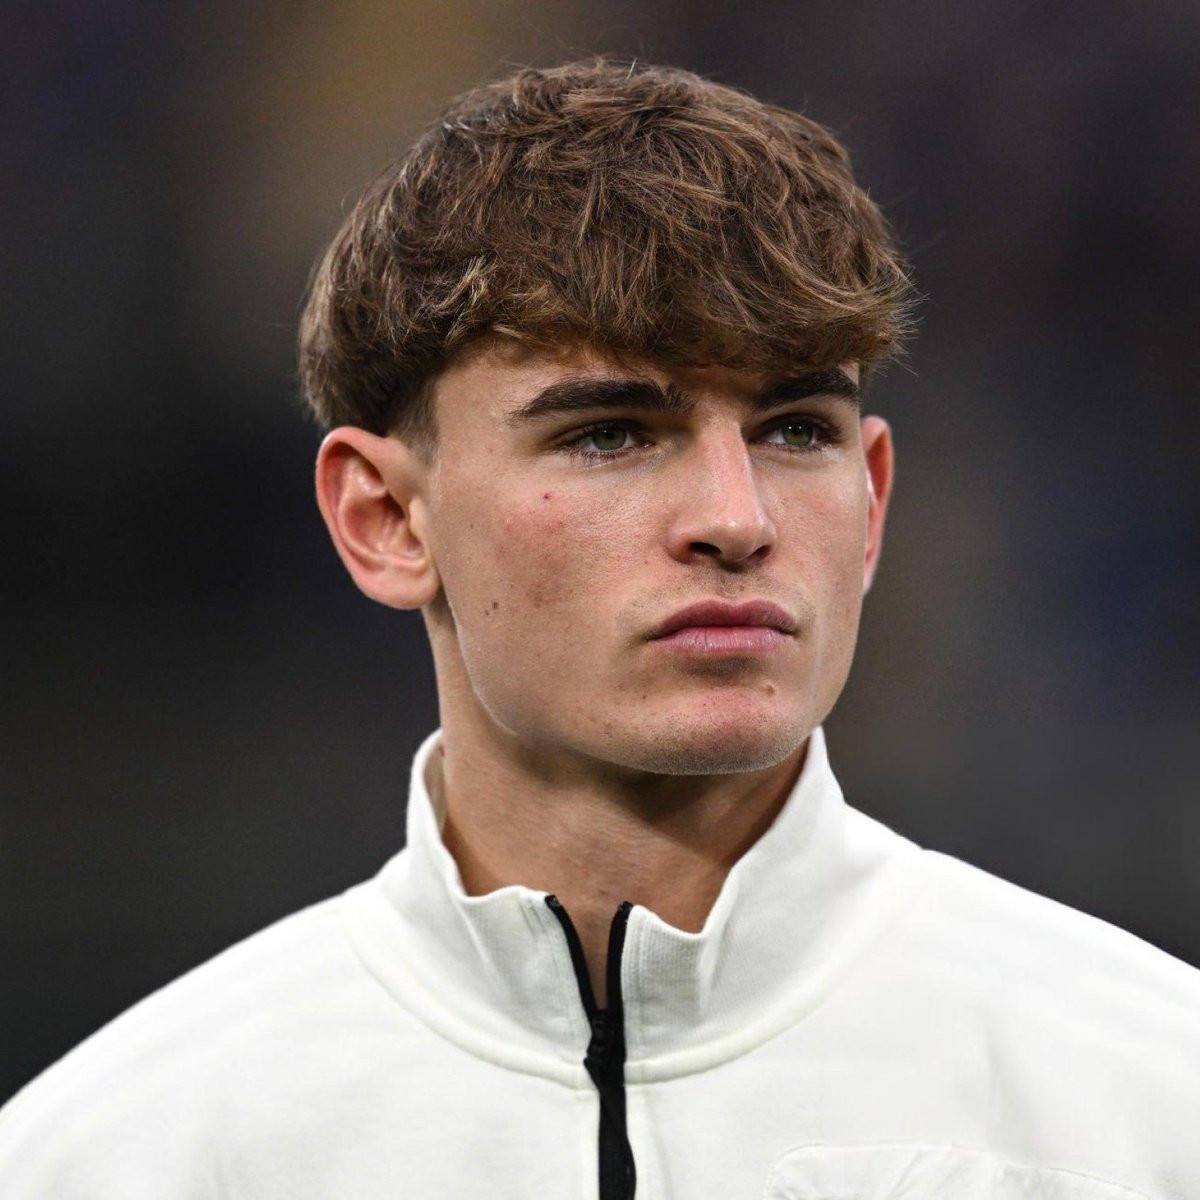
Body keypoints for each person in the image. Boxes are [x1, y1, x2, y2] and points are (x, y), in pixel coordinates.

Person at [1, 58, 1197, 1200]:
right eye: (610, 434)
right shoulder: (113, 1159)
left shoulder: (1155, 1101)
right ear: (387, 520)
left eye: (796, 431)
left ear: (873, 501)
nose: (737, 520)